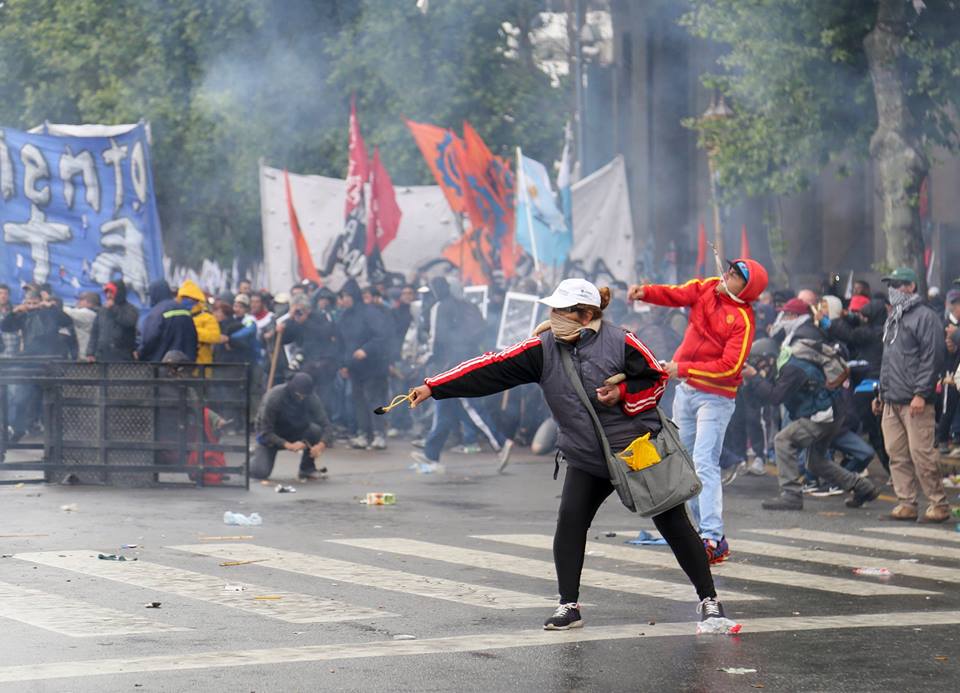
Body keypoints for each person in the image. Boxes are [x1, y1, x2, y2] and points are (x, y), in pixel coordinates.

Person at [409, 279, 733, 632]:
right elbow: (493, 367)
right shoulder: (543, 347)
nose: (555, 316)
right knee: (570, 522)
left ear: (586, 314)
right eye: (554, 309)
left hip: (635, 449)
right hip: (586, 454)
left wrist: (622, 392)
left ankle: (709, 600)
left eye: (563, 310)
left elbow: (655, 382)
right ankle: (569, 605)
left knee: (674, 525)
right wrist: (434, 387)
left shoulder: (622, 341)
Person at [628, 258, 768, 564]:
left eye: (737, 275)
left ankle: (712, 537)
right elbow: (676, 294)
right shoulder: (706, 287)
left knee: (704, 462)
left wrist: (683, 368)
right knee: (685, 464)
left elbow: (729, 367)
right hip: (687, 390)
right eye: (732, 269)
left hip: (715, 398)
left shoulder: (743, 321)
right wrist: (645, 292)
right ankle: (704, 534)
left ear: (747, 290)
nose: (729, 274)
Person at [744, 298, 880, 510]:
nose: (760, 368)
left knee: (782, 440)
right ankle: (862, 487)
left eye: (761, 364)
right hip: (830, 412)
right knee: (815, 462)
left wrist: (754, 377)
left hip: (821, 414)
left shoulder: (791, 367)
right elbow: (766, 395)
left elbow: (775, 396)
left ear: (770, 358)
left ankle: (790, 494)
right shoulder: (787, 361)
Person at [873, 268, 950, 523]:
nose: (893, 289)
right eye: (891, 284)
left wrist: (921, 393)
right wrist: (881, 393)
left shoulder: (925, 317)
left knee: (922, 454)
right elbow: (888, 361)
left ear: (911, 287)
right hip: (891, 398)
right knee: (896, 453)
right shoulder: (893, 317)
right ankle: (906, 502)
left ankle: (938, 504)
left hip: (915, 400)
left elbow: (933, 358)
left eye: (898, 284)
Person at [336, 280, 392, 450]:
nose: (344, 300)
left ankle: (379, 434)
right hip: (354, 367)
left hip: (373, 366)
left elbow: (382, 336)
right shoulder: (344, 316)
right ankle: (363, 433)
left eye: (346, 296)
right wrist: (343, 364)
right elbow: (341, 343)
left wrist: (366, 350)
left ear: (354, 296)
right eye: (342, 296)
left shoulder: (370, 313)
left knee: (373, 399)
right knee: (358, 400)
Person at [251, 372, 334, 482]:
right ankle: (251, 461)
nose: (301, 398)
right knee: (260, 472)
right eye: (299, 395)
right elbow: (265, 431)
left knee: (315, 430)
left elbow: (326, 424)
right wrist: (288, 445)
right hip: (272, 436)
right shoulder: (275, 397)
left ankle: (307, 469)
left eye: (304, 396)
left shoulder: (310, 397)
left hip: (296, 430)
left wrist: (321, 445)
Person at [139, 282, 199, 363]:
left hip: (162, 365)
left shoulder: (157, 312)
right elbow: (194, 336)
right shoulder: (184, 310)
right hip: (186, 364)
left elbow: (149, 339)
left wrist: (141, 354)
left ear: (155, 294)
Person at [87, 281, 138, 362]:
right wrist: (90, 352)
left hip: (122, 357)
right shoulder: (102, 310)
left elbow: (129, 322)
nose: (108, 295)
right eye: (106, 292)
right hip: (102, 357)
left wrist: (114, 308)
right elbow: (95, 332)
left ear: (119, 293)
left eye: (111, 292)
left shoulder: (130, 309)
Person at [176, 279, 220, 365]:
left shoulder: (208, 317)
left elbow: (214, 336)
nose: (185, 300)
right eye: (183, 297)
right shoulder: (179, 316)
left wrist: (192, 330)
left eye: (188, 298)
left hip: (201, 366)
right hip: (181, 366)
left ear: (196, 299)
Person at [62, 291, 100, 359]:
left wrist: (55, 304)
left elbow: (70, 311)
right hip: (84, 353)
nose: (78, 301)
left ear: (90, 303)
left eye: (81, 300)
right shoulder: (87, 312)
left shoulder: (89, 313)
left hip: (87, 355)